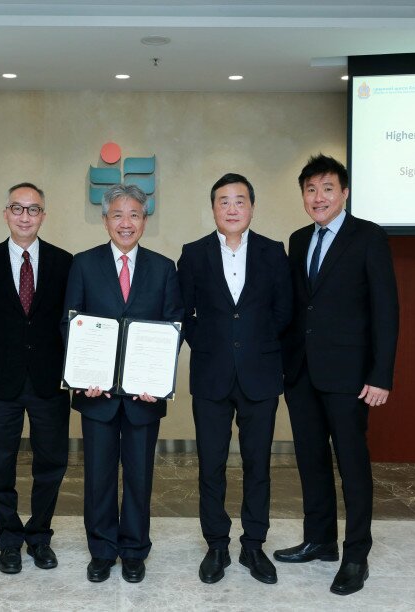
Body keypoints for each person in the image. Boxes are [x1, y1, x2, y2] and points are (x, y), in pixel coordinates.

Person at [274, 154, 399, 596]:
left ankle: (355, 555)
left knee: (352, 464)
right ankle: (320, 539)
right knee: (310, 460)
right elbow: (296, 308)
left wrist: (381, 374)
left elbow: (386, 310)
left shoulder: (368, 237)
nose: (318, 197)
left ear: (344, 192)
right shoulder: (297, 239)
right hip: (303, 373)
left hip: (350, 376)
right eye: (310, 189)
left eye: (327, 188)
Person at [62, 184, 183, 584]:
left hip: (142, 397)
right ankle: (101, 549)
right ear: (105, 220)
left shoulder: (164, 268)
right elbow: (71, 322)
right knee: (97, 475)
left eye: (134, 214)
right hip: (96, 396)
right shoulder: (83, 263)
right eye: (118, 214)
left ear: (145, 221)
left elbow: (173, 328)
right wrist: (82, 377)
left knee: (139, 475)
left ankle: (133, 549)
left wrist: (157, 377)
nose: (126, 222)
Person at [177, 173, 292, 585]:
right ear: (213, 209)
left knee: (257, 464)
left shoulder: (273, 252)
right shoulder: (193, 254)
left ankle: (253, 545)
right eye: (223, 201)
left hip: (260, 375)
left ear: (251, 207)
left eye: (239, 201)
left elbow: (283, 312)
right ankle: (216, 544)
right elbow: (183, 313)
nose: (231, 208)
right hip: (211, 375)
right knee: (211, 465)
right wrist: (210, 345)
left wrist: (255, 345)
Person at [0, 182, 73, 574]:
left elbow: (71, 322)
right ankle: (9, 538)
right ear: (6, 213)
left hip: (50, 382)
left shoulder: (65, 263)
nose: (25, 216)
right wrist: (7, 349)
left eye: (33, 209)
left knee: (51, 464)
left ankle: (40, 536)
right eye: (18, 208)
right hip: (0, 382)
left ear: (43, 215)